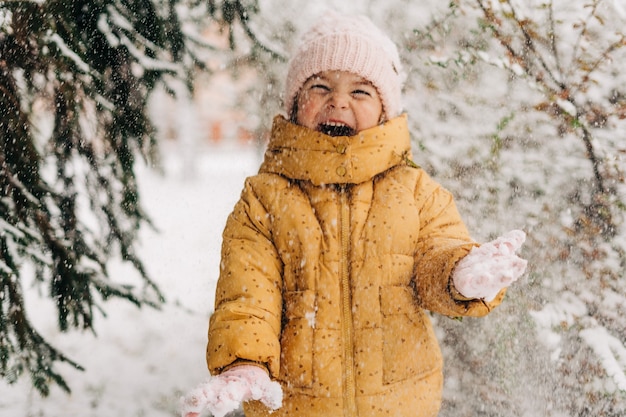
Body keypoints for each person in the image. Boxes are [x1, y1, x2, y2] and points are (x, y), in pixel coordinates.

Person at [181, 11, 527, 417]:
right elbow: (247, 294)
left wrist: (459, 274)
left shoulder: (414, 191)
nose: (338, 100)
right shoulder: (264, 200)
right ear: (295, 105)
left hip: (401, 405)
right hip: (295, 406)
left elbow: (439, 253)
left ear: (384, 110)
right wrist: (244, 362)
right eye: (321, 86)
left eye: (360, 91)